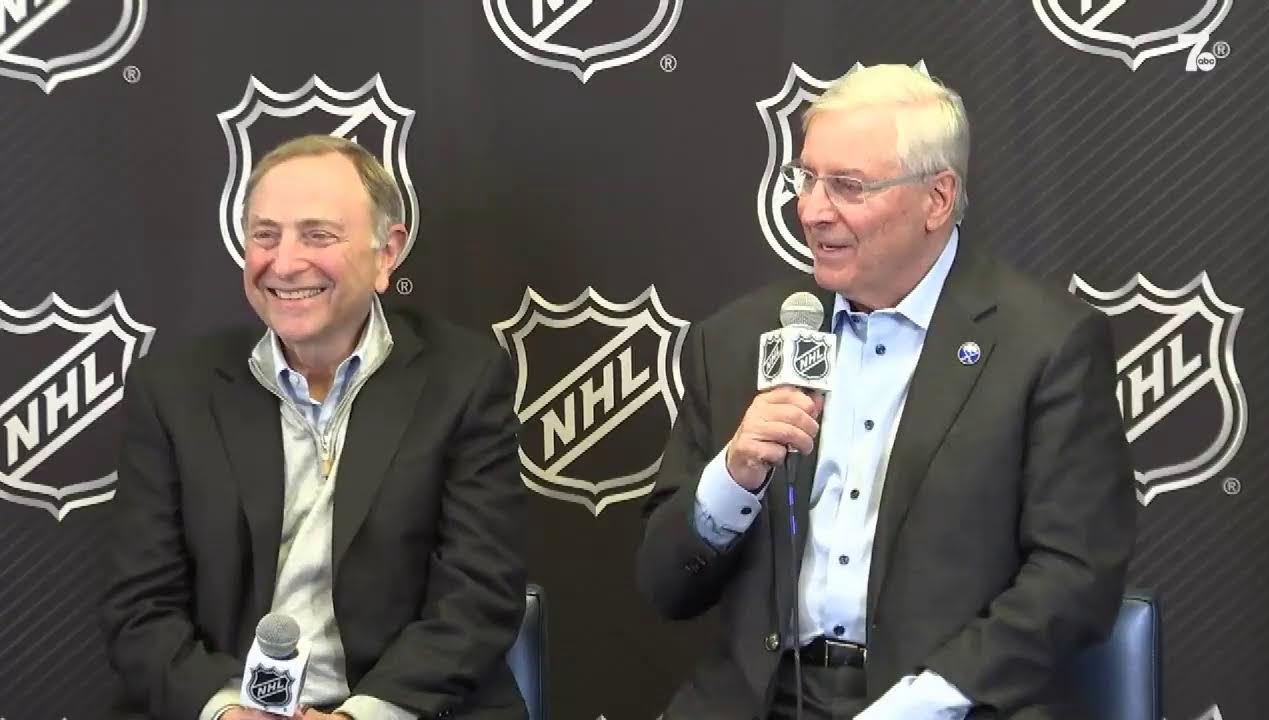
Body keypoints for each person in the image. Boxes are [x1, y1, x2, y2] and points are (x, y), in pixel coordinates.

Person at [636, 64, 1136, 719]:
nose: (813, 210)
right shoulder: (738, 339)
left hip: (948, 702)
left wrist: (923, 703)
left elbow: (1075, 575)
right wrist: (733, 477)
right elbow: (664, 586)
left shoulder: (1045, 345)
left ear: (936, 197)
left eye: (848, 186)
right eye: (806, 178)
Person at [101, 135, 529, 720]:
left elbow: (478, 596)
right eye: (265, 234)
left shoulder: (464, 380)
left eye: (318, 235)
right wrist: (226, 711)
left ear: (386, 254)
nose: (284, 262)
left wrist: (362, 716)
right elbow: (140, 609)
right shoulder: (172, 391)